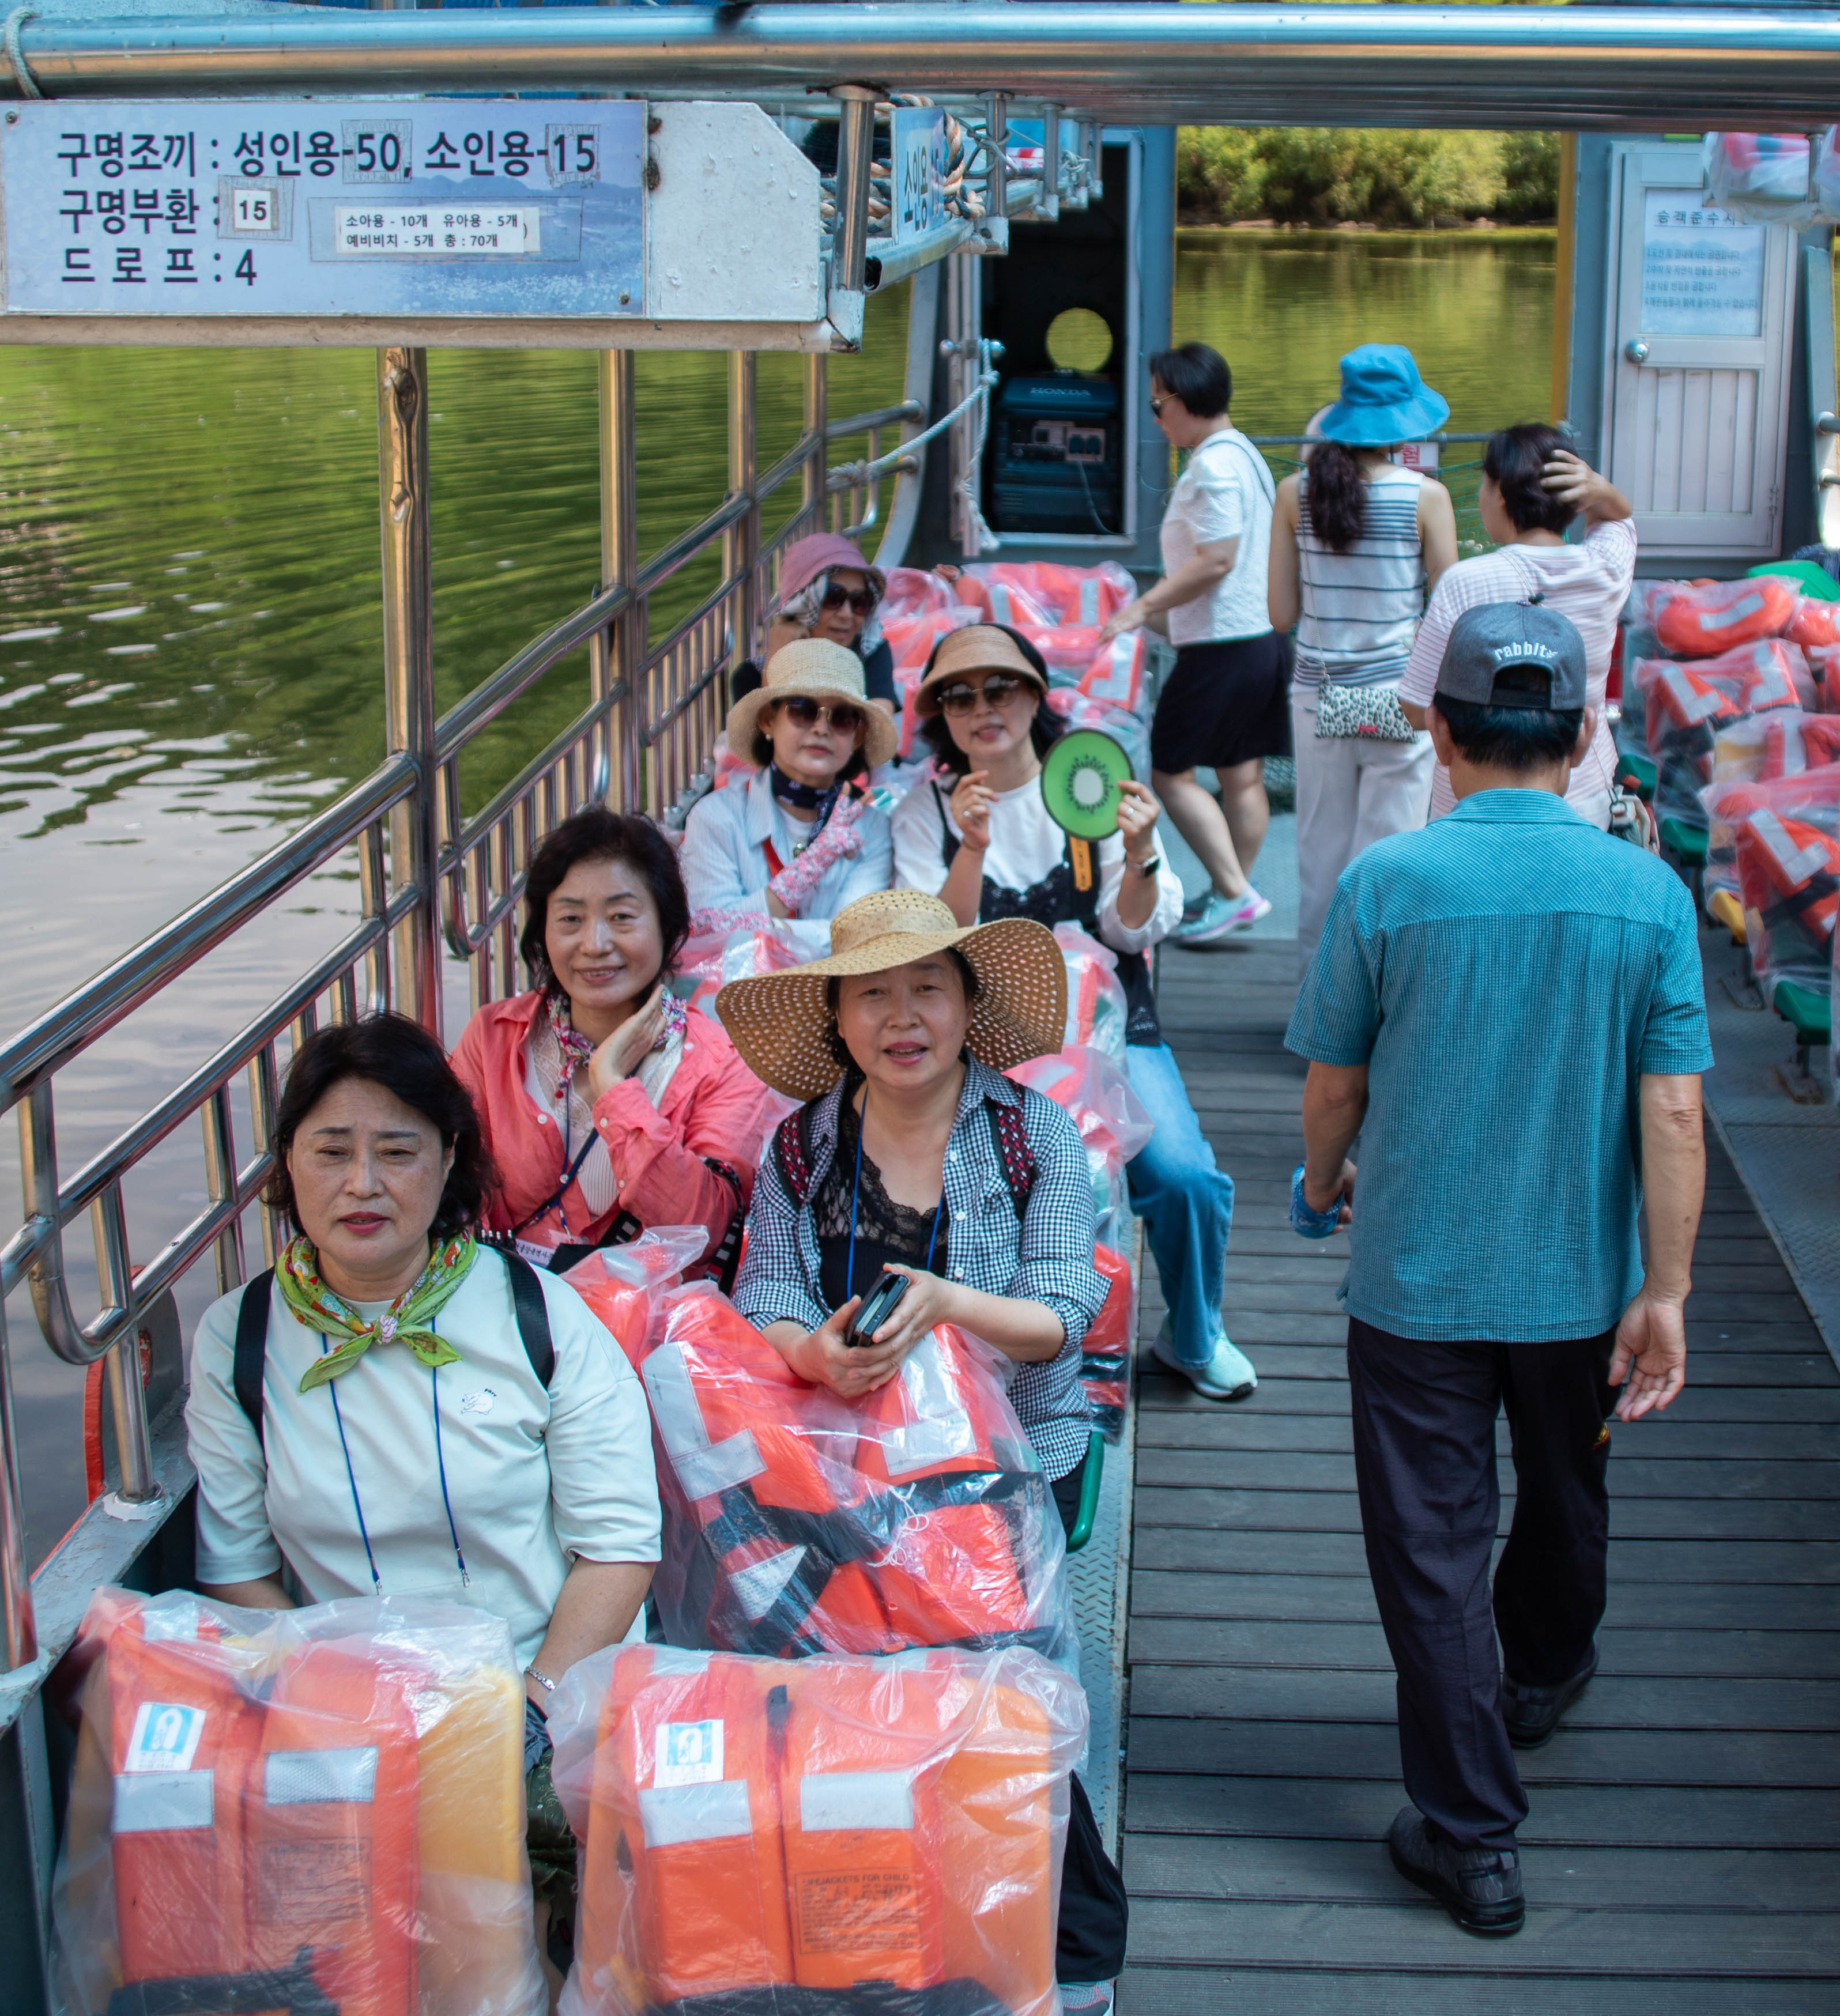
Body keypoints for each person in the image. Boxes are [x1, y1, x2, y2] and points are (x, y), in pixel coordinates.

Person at [1288, 601, 1710, 1939]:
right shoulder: (1648, 894)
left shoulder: (1388, 885)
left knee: (1432, 1546)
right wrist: (1665, 1289)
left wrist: (1320, 1184)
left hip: (1416, 1281)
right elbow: (1675, 1111)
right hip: (1583, 1283)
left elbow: (1334, 1087)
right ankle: (1545, 1667)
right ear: (1581, 737)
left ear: (1439, 730)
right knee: (1568, 1487)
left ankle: (1472, 1836)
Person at [714, 889, 1127, 2008]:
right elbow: (765, 1294)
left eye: (928, 990)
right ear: (837, 1018)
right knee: (837, 1702)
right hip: (838, 1458)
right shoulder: (803, 1143)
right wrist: (811, 1355)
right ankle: (886, 1928)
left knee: (1002, 1695)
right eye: (874, 996)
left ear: (967, 1004)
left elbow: (1062, 1314)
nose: (903, 1018)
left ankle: (1073, 1945)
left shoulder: (1030, 1133)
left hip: (1005, 1463)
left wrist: (947, 1307)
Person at [183, 1015, 661, 1923]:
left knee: (537, 1918)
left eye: (397, 1152)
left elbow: (620, 1546)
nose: (362, 1184)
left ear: (448, 1160)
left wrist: (528, 1716)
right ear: (288, 1166)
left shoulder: (538, 1315)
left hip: (547, 1698)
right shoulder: (236, 1341)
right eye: (331, 1152)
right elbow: (239, 1569)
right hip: (347, 1719)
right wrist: (340, 1717)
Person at [895, 621, 1255, 1401]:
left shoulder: (1085, 781)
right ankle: (1001, 1359)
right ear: (941, 716)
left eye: (1000, 688)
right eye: (959, 697)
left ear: (1035, 696)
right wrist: (971, 847)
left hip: (1105, 1025)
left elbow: (1130, 928)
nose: (982, 708)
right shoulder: (928, 808)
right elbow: (930, 943)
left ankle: (1195, 1333)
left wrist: (1141, 854)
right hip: (984, 1036)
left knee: (1184, 1176)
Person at [451, 807, 775, 1277]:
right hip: (506, 1302)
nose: (595, 944)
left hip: (647, 1318)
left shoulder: (724, 1063)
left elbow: (703, 1229)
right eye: (570, 919)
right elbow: (444, 1185)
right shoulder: (494, 1037)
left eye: (621, 917)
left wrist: (614, 1087)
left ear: (667, 927)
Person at [1271, 344, 1460, 962]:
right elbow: (1447, 609)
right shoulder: (1426, 497)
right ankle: (1382, 995)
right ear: (1403, 427)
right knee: (1390, 858)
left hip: (1319, 691)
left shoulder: (1294, 493)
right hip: (1397, 696)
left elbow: (1281, 615)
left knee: (1319, 853)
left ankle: (1319, 995)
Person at [1104, 343, 1283, 946]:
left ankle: (1234, 892)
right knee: (1241, 776)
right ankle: (1233, 892)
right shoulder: (1245, 453)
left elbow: (1216, 559)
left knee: (1170, 770)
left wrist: (1140, 608)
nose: (1157, 419)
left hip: (1221, 647)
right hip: (1258, 640)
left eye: (1159, 405)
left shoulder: (1212, 467)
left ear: (1185, 401)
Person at [1395, 426, 1638, 824]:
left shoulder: (1466, 582)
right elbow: (1620, 518)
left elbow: (1416, 709)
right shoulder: (1607, 568)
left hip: (1475, 805)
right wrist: (1602, 489)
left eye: (1484, 484)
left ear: (1502, 495)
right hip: (1582, 796)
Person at [678, 636, 902, 961]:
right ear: (768, 720)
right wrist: (809, 868)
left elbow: (855, 940)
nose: (822, 729)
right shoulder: (714, 816)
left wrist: (760, 927)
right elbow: (712, 940)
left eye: (842, 717)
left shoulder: (873, 828)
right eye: (802, 710)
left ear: (858, 736)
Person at [729, 531, 896, 712]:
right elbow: (763, 727)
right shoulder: (750, 675)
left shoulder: (872, 654)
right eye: (833, 598)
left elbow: (882, 720)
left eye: (860, 601)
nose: (847, 614)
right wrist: (775, 661)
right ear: (800, 605)